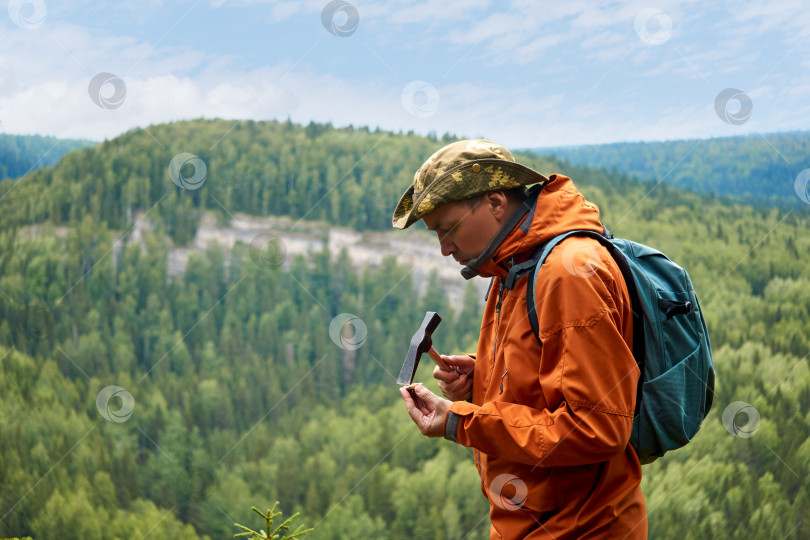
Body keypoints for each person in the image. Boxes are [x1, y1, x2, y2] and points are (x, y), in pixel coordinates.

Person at [392, 139, 647, 539]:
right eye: (435, 234)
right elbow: (548, 382)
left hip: (581, 527)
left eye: (448, 228)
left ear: (495, 203)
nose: (444, 248)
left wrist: (461, 421)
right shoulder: (511, 266)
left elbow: (596, 428)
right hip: (530, 524)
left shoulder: (568, 274)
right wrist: (481, 380)